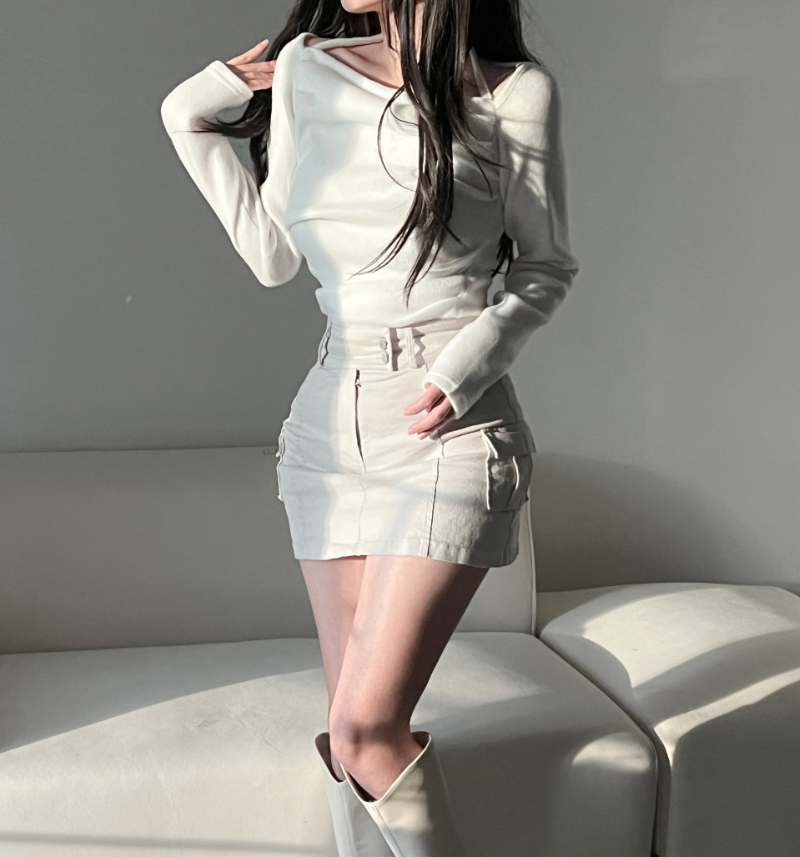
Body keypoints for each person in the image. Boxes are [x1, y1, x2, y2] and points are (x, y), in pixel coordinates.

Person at [160, 0, 579, 852]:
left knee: (366, 728)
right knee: (347, 736)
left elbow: (545, 265)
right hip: (327, 420)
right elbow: (272, 255)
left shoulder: (513, 93)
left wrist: (466, 366)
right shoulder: (309, 68)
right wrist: (186, 114)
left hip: (445, 425)